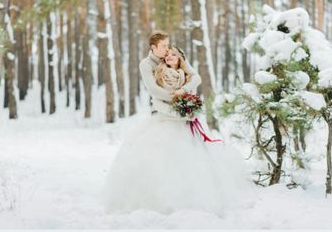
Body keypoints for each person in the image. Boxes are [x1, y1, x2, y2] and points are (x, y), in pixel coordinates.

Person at [102, 31, 250, 217]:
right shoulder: (146, 64)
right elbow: (153, 90)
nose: (167, 50)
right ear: (153, 47)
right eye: (163, 46)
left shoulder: (174, 55)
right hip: (164, 113)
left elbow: (195, 77)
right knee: (157, 158)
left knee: (192, 159)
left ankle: (197, 199)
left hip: (183, 115)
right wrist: (175, 100)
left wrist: (184, 92)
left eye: (167, 45)